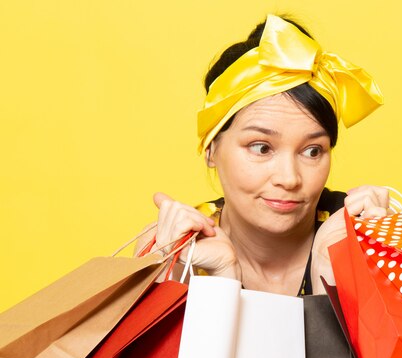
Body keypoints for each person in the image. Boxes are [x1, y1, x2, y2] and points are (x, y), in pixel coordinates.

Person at [137, 14, 386, 295]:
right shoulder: (175, 249)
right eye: (262, 147)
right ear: (211, 149)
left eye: (312, 151)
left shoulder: (363, 235)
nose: (289, 178)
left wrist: (330, 273)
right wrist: (211, 283)